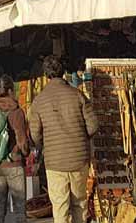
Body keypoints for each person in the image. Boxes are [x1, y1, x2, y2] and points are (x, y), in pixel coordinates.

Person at [27, 56, 97, 223]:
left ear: (46, 75)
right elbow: (93, 125)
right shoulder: (77, 95)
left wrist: (47, 144)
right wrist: (80, 138)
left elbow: (35, 134)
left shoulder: (39, 101)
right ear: (63, 72)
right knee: (79, 204)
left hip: (55, 163)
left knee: (60, 207)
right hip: (78, 159)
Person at [0, 75, 30, 223]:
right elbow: (22, 141)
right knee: (19, 210)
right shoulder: (16, 111)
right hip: (13, 165)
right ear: (10, 91)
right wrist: (25, 152)